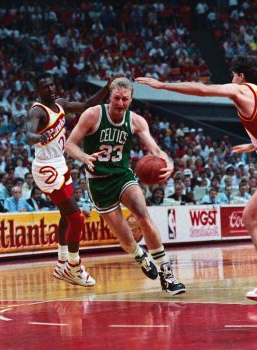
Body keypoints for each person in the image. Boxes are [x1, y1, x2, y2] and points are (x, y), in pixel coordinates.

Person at [136, 55, 257, 300]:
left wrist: (161, 85)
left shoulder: (241, 90)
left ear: (241, 76)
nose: (231, 79)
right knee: (250, 216)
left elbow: (202, 90)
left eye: (233, 74)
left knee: (251, 217)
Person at [65, 77, 186, 295]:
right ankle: (139, 254)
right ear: (110, 96)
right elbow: (70, 144)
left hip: (123, 176)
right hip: (98, 182)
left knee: (144, 217)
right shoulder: (93, 115)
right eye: (117, 98)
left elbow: (154, 149)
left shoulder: (136, 121)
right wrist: (84, 157)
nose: (120, 103)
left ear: (131, 99)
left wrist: (167, 161)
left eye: (125, 99)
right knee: (125, 237)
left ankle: (166, 273)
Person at [26, 72, 115, 287]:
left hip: (59, 163)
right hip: (47, 169)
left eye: (52, 84)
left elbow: (87, 105)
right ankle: (74, 267)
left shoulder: (61, 103)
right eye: (45, 87)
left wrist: (107, 87)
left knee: (66, 216)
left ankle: (62, 262)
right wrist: (39, 137)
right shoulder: (37, 110)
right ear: (39, 91)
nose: (51, 88)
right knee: (76, 218)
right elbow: (28, 134)